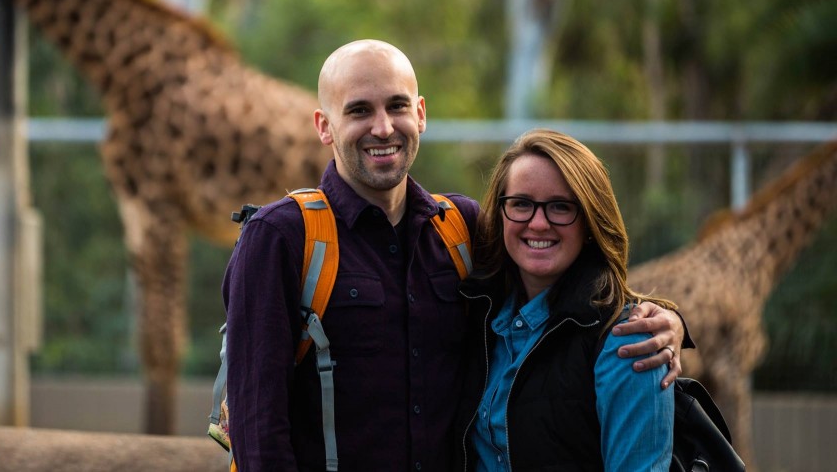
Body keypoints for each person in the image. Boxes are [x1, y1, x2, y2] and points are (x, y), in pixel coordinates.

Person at [222, 40, 685, 471]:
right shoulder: (281, 238)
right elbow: (259, 428)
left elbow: (559, 280)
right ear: (325, 126)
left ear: (420, 114)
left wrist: (668, 319)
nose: (382, 127)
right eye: (359, 110)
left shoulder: (461, 227)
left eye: (397, 106)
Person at [460, 129, 679, 471]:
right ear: (500, 212)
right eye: (521, 204)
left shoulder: (631, 341)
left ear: (591, 222)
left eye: (561, 207)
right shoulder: (476, 312)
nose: (538, 223)